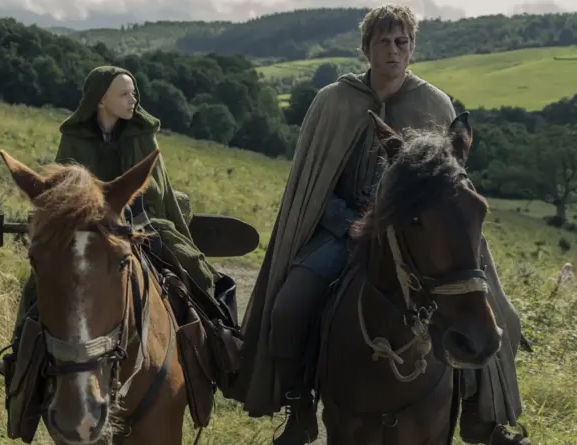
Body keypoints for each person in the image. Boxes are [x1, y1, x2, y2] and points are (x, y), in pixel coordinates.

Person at [226, 5, 530, 445]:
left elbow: (447, 185)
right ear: (366, 48)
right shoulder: (333, 101)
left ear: (412, 48)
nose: (393, 50)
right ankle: (299, 407)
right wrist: (345, 222)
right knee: (289, 308)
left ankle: (482, 417)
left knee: (488, 311)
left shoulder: (434, 104)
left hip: (416, 232)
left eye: (401, 42)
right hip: (340, 228)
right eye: (383, 42)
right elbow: (312, 183)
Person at [7, 65, 224, 356]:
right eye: (123, 94)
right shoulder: (75, 138)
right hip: (87, 228)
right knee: (38, 284)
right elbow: (62, 194)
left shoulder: (143, 135)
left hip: (143, 223)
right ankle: (19, 350)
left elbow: (159, 192)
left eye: (133, 93)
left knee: (196, 270)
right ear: (100, 99)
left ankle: (218, 348)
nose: (132, 100)